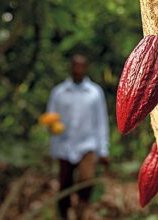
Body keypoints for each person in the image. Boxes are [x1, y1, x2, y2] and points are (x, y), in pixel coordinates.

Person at [47, 54, 109, 219]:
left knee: (86, 183)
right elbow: (51, 118)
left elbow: (101, 121)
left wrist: (103, 150)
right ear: (71, 67)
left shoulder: (95, 93)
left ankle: (81, 212)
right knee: (65, 184)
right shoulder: (58, 93)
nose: (78, 70)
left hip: (87, 145)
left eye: (81, 66)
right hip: (64, 146)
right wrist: (53, 129)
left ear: (86, 68)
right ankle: (64, 214)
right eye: (75, 66)